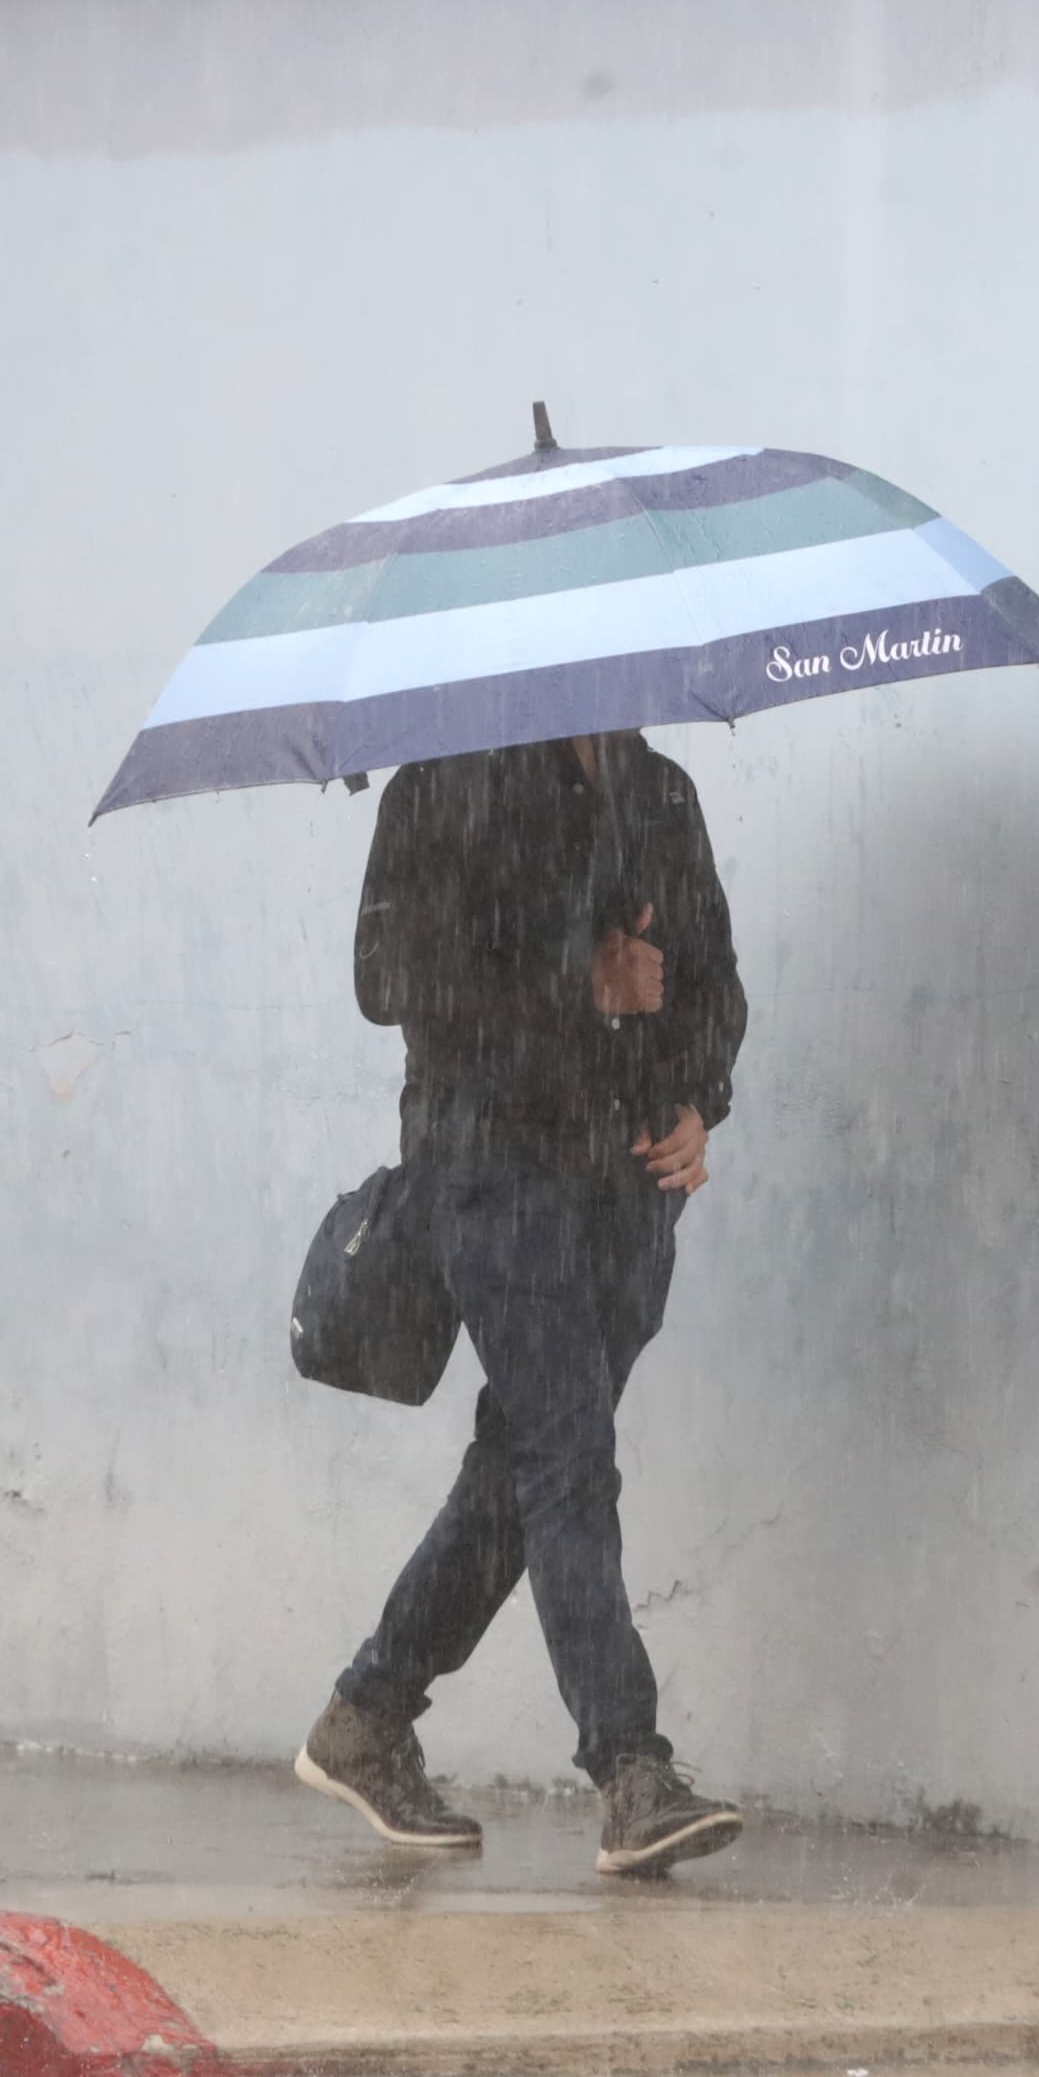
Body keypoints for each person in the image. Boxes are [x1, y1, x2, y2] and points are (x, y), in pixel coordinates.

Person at [294, 727, 749, 1877]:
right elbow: (386, 978)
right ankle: (628, 1767)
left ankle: (369, 1713)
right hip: (492, 1168)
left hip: (631, 1188)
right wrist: (572, 971)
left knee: (528, 1464)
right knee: (564, 1452)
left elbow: (709, 982)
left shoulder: (657, 789)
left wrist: (698, 1099)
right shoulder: (444, 779)